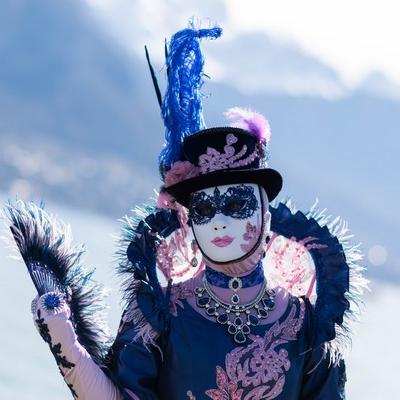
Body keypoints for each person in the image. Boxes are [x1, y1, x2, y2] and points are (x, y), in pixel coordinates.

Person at [3, 23, 366, 400]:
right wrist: (69, 350)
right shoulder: (161, 317)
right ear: (188, 221)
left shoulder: (305, 324)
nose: (221, 221)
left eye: (238, 204)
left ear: (266, 215)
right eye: (205, 209)